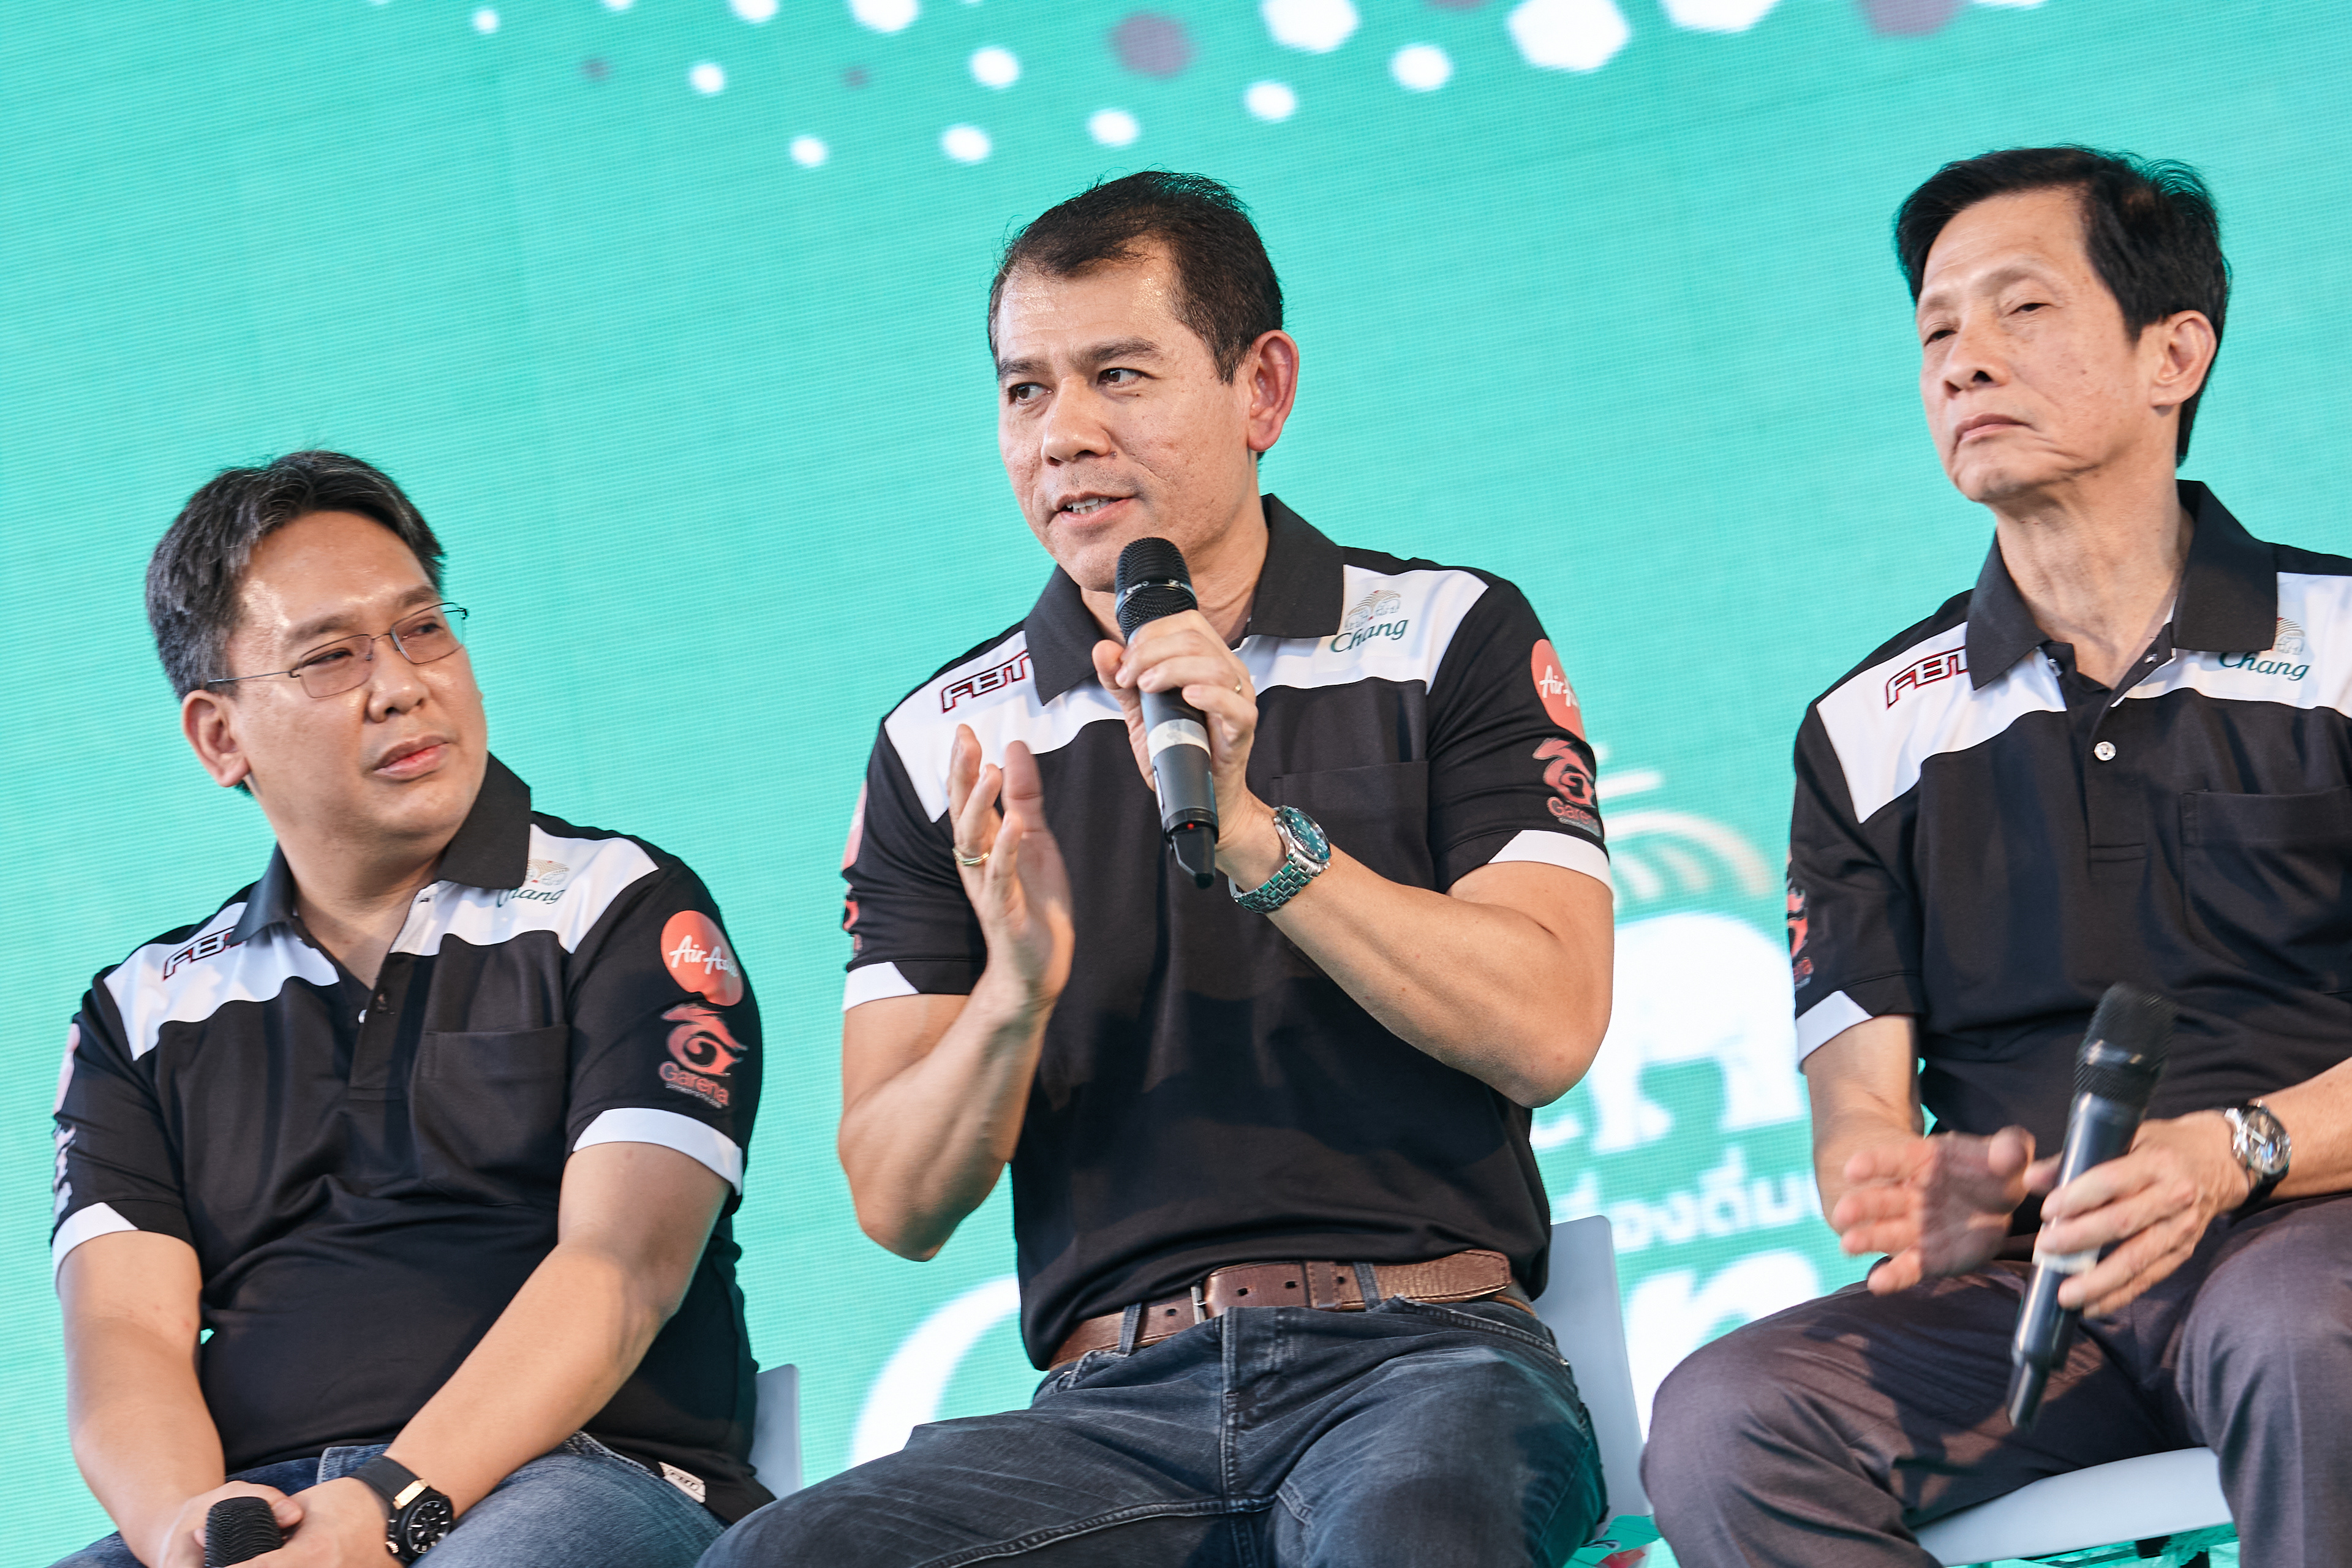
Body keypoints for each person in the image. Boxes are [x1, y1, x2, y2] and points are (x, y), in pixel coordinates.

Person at [704, 172, 1615, 1567]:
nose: (1062, 433)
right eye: (1025, 391)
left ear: (1263, 389)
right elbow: (896, 1196)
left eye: (1118, 375)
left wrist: (1256, 838)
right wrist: (1014, 993)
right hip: (1107, 1408)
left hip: (1424, 1358)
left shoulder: (1448, 632)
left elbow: (1546, 1025)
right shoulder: (942, 740)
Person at [1644, 148, 2352, 1565]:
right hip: (2036, 1293)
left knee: (2301, 1330)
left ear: (2173, 354)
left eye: (2021, 308)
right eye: (1937, 331)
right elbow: (1858, 1108)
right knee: (1728, 1421)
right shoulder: (1865, 730)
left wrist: (2238, 1150)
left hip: (2312, 1231)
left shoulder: (2337, 641)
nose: (1964, 360)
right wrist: (1910, 1181)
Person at [50, 452, 769, 1568]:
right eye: (331, 656)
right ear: (220, 737)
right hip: (271, 1513)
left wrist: (387, 1507)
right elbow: (123, 1338)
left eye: (423, 629)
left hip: (585, 1477)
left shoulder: (618, 903)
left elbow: (622, 1270)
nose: (400, 684)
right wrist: (194, 1533)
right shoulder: (140, 1011)